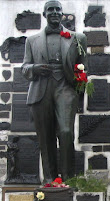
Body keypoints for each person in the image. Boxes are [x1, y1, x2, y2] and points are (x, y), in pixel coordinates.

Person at [21, 0, 87, 182]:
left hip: (65, 87)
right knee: (45, 136)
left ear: (62, 13)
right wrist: (34, 68)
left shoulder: (77, 38)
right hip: (41, 88)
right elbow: (24, 67)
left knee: (66, 132)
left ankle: (67, 178)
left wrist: (78, 90)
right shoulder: (32, 41)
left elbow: (84, 67)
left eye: (58, 9)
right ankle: (50, 180)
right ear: (44, 14)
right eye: (50, 10)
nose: (55, 12)